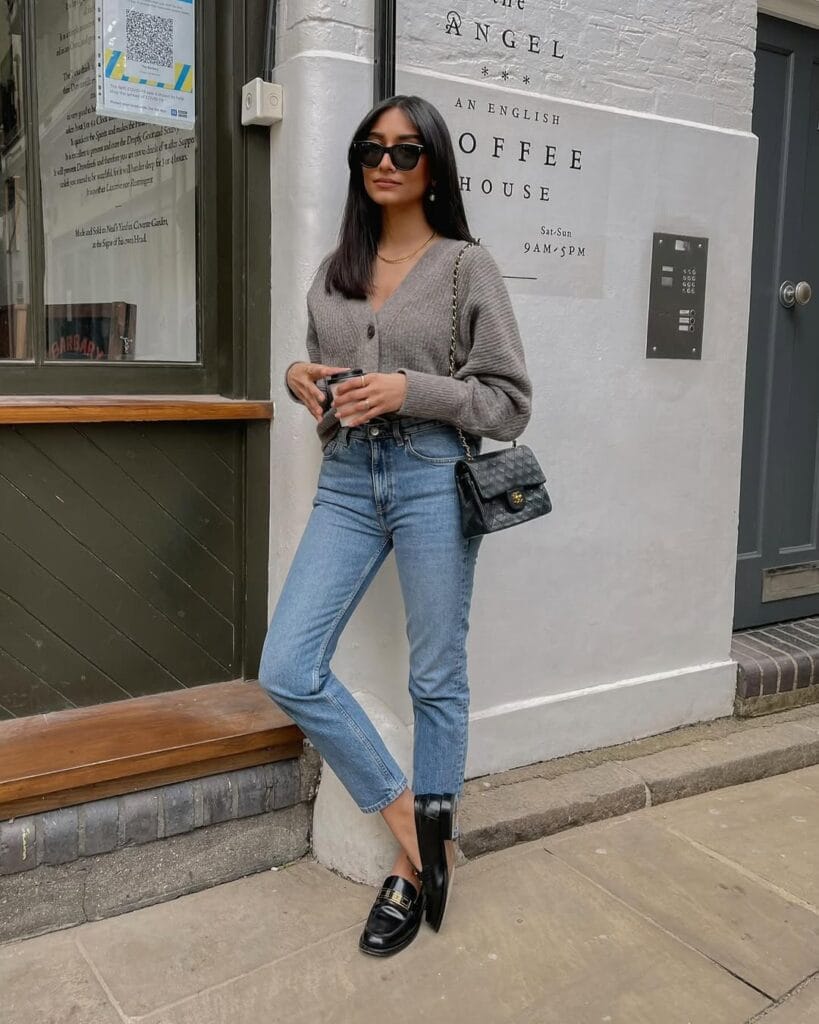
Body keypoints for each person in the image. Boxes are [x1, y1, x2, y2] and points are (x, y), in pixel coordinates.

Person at [258, 94, 531, 957]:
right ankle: (415, 822)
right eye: (370, 148)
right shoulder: (335, 267)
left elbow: (508, 404)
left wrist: (412, 390)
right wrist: (304, 377)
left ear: (434, 166)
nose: (385, 162)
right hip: (348, 479)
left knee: (436, 676)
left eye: (406, 151)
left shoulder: (462, 267)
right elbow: (317, 361)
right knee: (288, 666)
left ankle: (413, 874)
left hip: (428, 475)